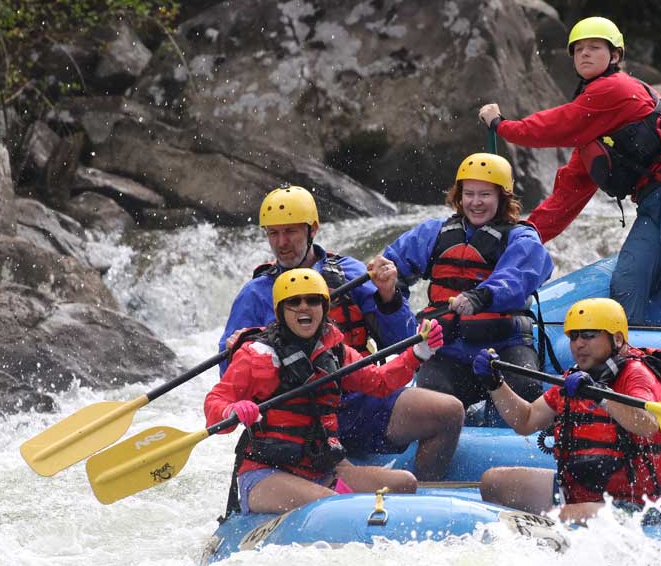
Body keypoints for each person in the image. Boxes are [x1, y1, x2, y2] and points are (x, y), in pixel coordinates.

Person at [477, 15, 661, 323]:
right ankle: (632, 361)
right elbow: (568, 194)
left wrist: (502, 126)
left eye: (595, 47)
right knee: (627, 284)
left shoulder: (615, 89)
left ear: (615, 56)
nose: (584, 53)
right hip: (652, 204)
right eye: (578, 49)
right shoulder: (593, 123)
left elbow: (555, 125)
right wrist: (523, 235)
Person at [219, 184, 465, 480]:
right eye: (273, 233)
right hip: (300, 418)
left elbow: (402, 342)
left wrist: (389, 298)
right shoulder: (256, 293)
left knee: (448, 412)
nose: (282, 242)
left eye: (291, 232)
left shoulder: (351, 273)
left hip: (360, 400)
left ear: (313, 229)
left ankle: (420, 494)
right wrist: (242, 346)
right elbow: (230, 380)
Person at [206, 268, 445, 515]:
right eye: (294, 302)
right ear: (280, 310)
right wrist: (231, 410)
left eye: (312, 301)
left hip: (320, 469)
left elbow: (379, 382)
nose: (304, 308)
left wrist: (418, 353)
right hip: (266, 474)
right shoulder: (255, 356)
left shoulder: (335, 351)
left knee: (405, 483)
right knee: (333, 507)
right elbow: (216, 400)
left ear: (324, 307)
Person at [378, 153, 554, 410]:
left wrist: (481, 296)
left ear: (502, 197)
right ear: (459, 196)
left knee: (525, 390)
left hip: (504, 348)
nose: (475, 202)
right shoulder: (434, 233)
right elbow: (392, 266)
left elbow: (517, 277)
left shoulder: (520, 237)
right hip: (449, 350)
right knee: (430, 396)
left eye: (485, 194)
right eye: (469, 193)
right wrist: (386, 282)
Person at [473, 298, 661, 523]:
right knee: (493, 482)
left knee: (564, 516)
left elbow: (648, 424)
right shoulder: (574, 379)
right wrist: (495, 384)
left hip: (638, 506)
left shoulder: (637, 374)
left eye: (588, 335)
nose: (579, 344)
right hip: (578, 495)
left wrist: (600, 395)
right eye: (574, 336)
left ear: (617, 338)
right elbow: (526, 420)